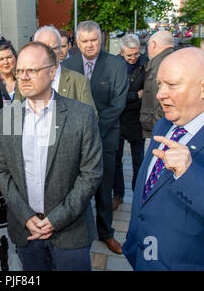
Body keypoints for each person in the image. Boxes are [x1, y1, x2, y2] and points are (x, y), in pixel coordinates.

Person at [0, 42, 103, 271]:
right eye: (20, 71)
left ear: (52, 72)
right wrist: (25, 217)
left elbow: (91, 174)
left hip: (70, 234)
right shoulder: (7, 118)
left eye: (31, 71)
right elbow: (2, 171)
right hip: (27, 233)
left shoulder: (81, 116)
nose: (23, 77)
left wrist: (56, 220)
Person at [123, 47, 204, 270]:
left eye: (172, 85)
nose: (160, 94)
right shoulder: (164, 124)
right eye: (160, 84)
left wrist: (190, 176)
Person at [62, 21, 129, 254]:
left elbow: (117, 104)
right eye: (85, 41)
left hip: (105, 138)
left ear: (101, 39)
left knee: (103, 187)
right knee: (73, 187)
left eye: (94, 40)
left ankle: (106, 232)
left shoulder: (116, 65)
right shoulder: (66, 65)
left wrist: (91, 131)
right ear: (77, 43)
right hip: (72, 141)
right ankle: (74, 231)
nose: (90, 45)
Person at [21, 25, 96, 111]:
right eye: (44, 48)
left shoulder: (79, 82)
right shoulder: (24, 80)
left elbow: (91, 118)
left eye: (54, 48)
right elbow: (16, 116)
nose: (49, 53)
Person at [112, 34, 148, 210]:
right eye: (129, 55)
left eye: (136, 53)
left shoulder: (145, 63)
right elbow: (115, 95)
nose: (134, 57)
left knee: (139, 161)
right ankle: (117, 195)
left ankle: (138, 195)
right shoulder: (114, 66)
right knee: (116, 159)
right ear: (121, 53)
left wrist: (135, 96)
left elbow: (148, 91)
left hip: (137, 119)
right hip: (118, 118)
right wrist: (135, 95)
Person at [140, 30, 174, 138]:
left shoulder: (161, 66)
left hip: (162, 130)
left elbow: (161, 104)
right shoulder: (174, 60)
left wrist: (159, 131)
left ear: (153, 44)